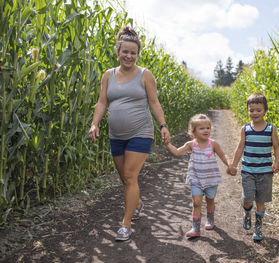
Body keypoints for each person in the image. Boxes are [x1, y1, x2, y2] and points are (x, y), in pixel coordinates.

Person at [88, 26, 170, 242]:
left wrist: (163, 125)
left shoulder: (145, 75)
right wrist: (94, 124)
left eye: (133, 53)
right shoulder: (108, 75)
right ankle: (137, 204)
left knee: (130, 176)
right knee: (125, 178)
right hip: (116, 135)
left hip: (140, 133)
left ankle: (125, 224)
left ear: (137, 54)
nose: (129, 56)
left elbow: (154, 102)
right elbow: (102, 102)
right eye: (125, 51)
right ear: (118, 51)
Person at [165, 114, 230, 237]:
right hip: (196, 179)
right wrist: (168, 144)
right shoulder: (191, 144)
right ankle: (195, 228)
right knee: (196, 203)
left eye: (208, 128)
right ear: (193, 132)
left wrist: (229, 164)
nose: (206, 130)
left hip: (211, 179)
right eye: (201, 128)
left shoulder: (213, 144)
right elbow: (177, 152)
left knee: (210, 200)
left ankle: (210, 219)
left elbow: (222, 155)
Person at [228, 93, 279, 241]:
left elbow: (276, 147)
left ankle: (258, 227)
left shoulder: (271, 129)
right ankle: (246, 213)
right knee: (247, 199)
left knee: (260, 201)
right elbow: (239, 148)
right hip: (248, 171)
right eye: (251, 110)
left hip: (265, 172)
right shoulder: (245, 129)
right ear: (247, 110)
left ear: (265, 111)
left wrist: (277, 162)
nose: (255, 113)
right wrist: (233, 165)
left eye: (258, 110)